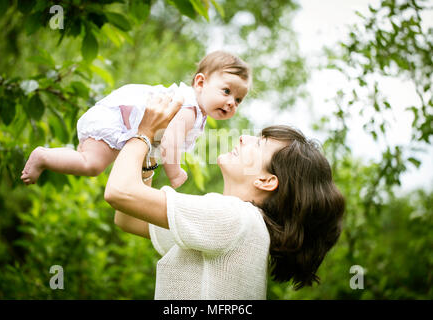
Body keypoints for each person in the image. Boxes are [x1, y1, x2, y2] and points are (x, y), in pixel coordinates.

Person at [104, 94, 346, 300]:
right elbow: (128, 219)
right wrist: (153, 147)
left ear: (266, 180)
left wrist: (143, 133)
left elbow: (119, 192)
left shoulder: (234, 218)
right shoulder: (243, 225)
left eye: (259, 144)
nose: (243, 138)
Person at [20, 51, 250, 188]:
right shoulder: (189, 109)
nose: (232, 102)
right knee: (91, 166)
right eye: (227, 91)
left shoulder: (194, 109)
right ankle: (43, 156)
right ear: (200, 83)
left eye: (239, 100)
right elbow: (170, 142)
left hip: (118, 121)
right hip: (114, 121)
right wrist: (175, 172)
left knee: (91, 162)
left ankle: (51, 155)